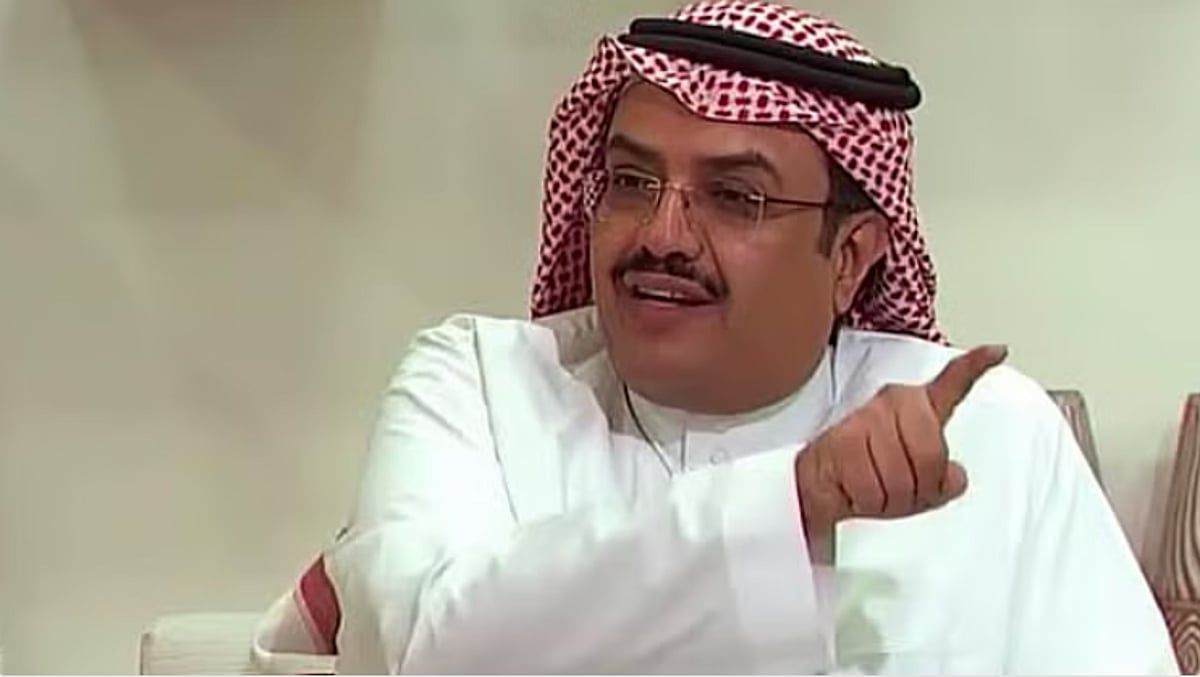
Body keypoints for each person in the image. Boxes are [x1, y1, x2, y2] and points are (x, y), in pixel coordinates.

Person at [254, 1, 1178, 673]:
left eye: (736, 197)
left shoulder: (991, 431)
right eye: (630, 182)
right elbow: (416, 651)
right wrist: (792, 503)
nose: (662, 234)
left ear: (852, 257)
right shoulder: (478, 385)